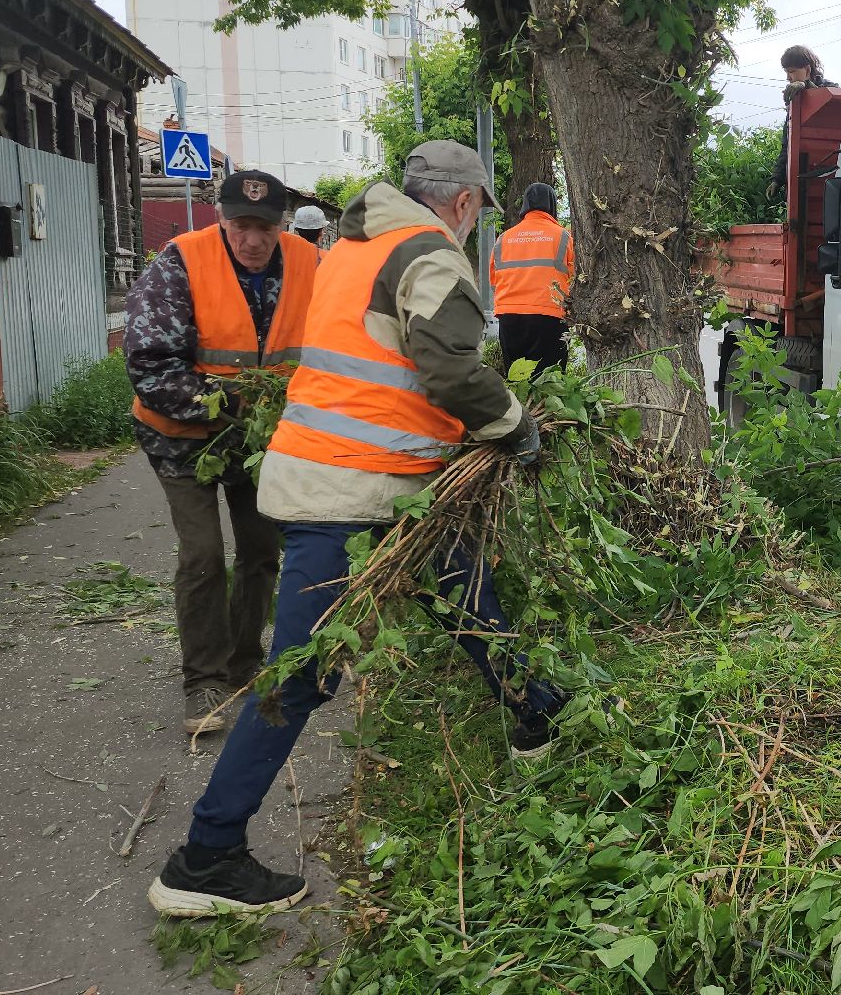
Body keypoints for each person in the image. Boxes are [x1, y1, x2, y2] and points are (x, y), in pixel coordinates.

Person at [147, 140, 564, 919]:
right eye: (479, 213)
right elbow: (448, 370)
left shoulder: (355, 244)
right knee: (298, 677)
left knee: (463, 586)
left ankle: (532, 709)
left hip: (377, 481)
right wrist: (516, 426)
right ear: (466, 203)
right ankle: (206, 856)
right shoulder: (432, 255)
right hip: (349, 488)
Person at [125, 170, 318, 737]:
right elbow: (149, 365)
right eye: (241, 226)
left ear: (281, 225)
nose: (253, 239)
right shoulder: (179, 263)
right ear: (221, 219)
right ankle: (203, 681)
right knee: (204, 552)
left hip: (258, 439)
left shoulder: (311, 265)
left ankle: (244, 661)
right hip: (180, 435)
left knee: (261, 549)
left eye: (265, 227)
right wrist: (228, 401)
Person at [489, 182, 573, 374]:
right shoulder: (563, 237)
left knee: (518, 378)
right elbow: (575, 277)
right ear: (552, 205)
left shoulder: (504, 238)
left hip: (509, 317)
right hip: (549, 316)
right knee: (550, 380)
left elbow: (494, 279)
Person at [768, 45, 834, 203]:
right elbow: (787, 145)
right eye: (786, 72)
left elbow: (834, 100)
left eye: (791, 71)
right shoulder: (794, 105)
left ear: (807, 70)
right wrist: (776, 179)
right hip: (800, 184)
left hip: (835, 179)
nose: (788, 77)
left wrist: (806, 86)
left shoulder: (831, 89)